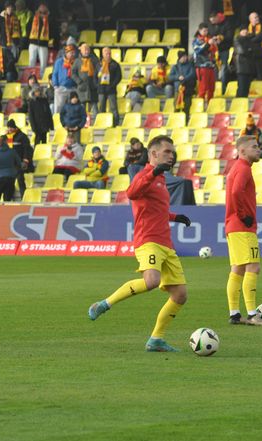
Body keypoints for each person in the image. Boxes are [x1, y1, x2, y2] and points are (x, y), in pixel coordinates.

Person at [88, 135, 192, 352]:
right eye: (167, 152)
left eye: (172, 152)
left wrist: (175, 217)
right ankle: (104, 304)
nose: (171, 156)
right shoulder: (145, 174)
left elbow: (157, 209)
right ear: (153, 154)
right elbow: (132, 193)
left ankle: (156, 339)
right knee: (152, 280)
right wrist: (153, 172)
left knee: (180, 294)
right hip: (148, 240)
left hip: (166, 243)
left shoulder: (161, 179)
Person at [225, 136, 262, 326]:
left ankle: (234, 314)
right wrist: (243, 215)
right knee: (253, 267)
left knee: (238, 269)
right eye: (254, 147)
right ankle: (252, 314)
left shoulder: (238, 168)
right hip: (242, 226)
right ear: (242, 151)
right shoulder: (243, 168)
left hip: (234, 226)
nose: (258, 149)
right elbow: (236, 192)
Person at [0, 1, 20, 81]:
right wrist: (1, 38)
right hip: (4, 43)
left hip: (13, 42)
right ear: (6, 8)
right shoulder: (1, 17)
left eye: (11, 8)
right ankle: (6, 75)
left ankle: (12, 74)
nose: (10, 9)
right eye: (8, 8)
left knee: (13, 59)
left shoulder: (15, 17)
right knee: (5, 60)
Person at [208, 11, 234, 94]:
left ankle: (223, 89)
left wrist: (221, 38)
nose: (212, 22)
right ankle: (215, 90)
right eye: (211, 21)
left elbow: (230, 36)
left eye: (214, 21)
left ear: (217, 18)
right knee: (214, 70)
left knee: (223, 69)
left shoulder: (227, 24)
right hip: (213, 50)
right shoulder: (210, 26)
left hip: (224, 49)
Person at [5, 118, 33, 194]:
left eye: (11, 127)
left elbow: (27, 149)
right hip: (9, 162)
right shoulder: (7, 136)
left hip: (19, 162)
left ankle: (23, 196)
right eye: (8, 127)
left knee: (20, 180)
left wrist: (25, 159)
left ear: (15, 127)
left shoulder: (22, 136)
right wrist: (5, 136)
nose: (9, 129)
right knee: (9, 182)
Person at [72, 43, 99, 118]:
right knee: (82, 106)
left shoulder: (94, 59)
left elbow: (99, 70)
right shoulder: (77, 61)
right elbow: (73, 73)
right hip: (82, 87)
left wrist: (96, 81)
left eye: (87, 49)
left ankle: (96, 121)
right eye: (84, 49)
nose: (86, 51)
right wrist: (79, 81)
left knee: (94, 107)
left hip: (92, 86)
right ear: (81, 50)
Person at [96, 46, 121, 126]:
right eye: (106, 53)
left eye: (109, 53)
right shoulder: (98, 64)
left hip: (111, 89)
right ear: (103, 54)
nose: (108, 55)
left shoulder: (115, 64)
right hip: (101, 89)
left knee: (113, 108)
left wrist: (112, 85)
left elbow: (118, 77)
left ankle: (115, 123)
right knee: (101, 107)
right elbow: (94, 76)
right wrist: (97, 85)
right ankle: (101, 123)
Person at [192, 22, 216, 103]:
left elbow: (214, 51)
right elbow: (199, 51)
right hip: (202, 66)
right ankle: (200, 106)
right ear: (199, 30)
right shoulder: (196, 40)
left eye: (207, 31)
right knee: (203, 88)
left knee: (211, 87)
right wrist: (208, 44)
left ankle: (210, 105)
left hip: (211, 66)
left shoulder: (209, 38)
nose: (206, 32)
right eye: (204, 31)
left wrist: (215, 43)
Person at [168, 51, 196, 117]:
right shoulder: (175, 67)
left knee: (187, 108)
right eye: (183, 57)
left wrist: (184, 78)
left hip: (188, 89)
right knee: (176, 107)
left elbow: (192, 74)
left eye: (185, 56)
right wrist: (178, 77)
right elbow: (170, 77)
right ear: (180, 58)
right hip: (178, 90)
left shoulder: (190, 66)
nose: (185, 58)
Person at [52, 44, 77, 114]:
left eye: (73, 52)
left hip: (73, 88)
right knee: (59, 107)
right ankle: (57, 122)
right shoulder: (59, 62)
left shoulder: (76, 61)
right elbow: (55, 74)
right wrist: (55, 86)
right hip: (61, 88)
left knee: (73, 108)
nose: (72, 54)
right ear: (66, 53)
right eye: (71, 52)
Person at [28, 3, 51, 76]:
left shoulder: (50, 19)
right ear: (38, 11)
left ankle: (42, 77)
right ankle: (31, 78)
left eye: (44, 12)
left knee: (43, 63)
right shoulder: (33, 18)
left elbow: (54, 31)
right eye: (40, 12)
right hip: (33, 43)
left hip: (43, 44)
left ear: (47, 11)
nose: (42, 14)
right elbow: (28, 28)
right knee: (31, 61)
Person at [246, 12, 262, 81]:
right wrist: (253, 37)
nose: (257, 19)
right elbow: (245, 38)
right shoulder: (247, 27)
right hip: (250, 53)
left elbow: (260, 37)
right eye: (255, 17)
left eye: (257, 17)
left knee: (260, 72)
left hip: (259, 52)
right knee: (251, 72)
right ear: (250, 19)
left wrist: (251, 39)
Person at [233, 28, 253, 97]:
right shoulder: (237, 39)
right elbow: (241, 51)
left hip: (249, 65)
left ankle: (243, 101)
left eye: (246, 30)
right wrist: (248, 50)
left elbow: (253, 50)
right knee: (242, 86)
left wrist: (249, 50)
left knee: (247, 87)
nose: (245, 32)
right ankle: (239, 101)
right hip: (241, 66)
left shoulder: (249, 39)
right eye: (243, 30)